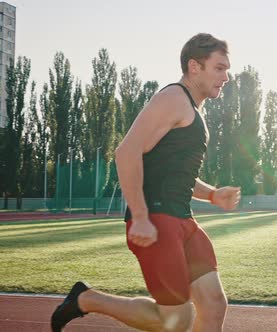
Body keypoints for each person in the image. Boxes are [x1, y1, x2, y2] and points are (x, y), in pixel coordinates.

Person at [51, 33, 241, 332]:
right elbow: (127, 152)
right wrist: (139, 216)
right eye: (219, 68)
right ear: (195, 66)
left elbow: (176, 174)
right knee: (176, 320)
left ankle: (85, 298)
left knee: (214, 305)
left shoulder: (193, 109)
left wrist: (214, 195)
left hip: (182, 220)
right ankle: (86, 300)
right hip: (156, 218)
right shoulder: (173, 99)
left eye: (227, 68)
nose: (226, 76)